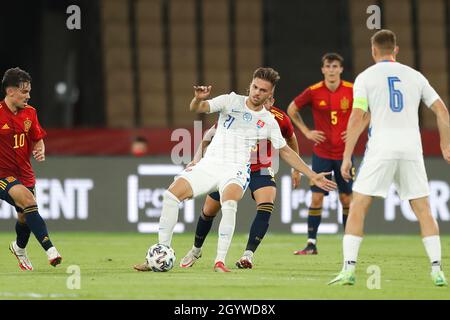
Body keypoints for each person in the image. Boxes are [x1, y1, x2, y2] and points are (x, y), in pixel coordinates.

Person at [134, 67, 336, 272]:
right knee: (170, 196)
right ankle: (161, 252)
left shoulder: (269, 121)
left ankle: (219, 261)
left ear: (270, 94)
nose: (257, 92)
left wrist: (310, 173)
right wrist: (197, 99)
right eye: (255, 87)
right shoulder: (230, 101)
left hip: (236, 170)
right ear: (250, 86)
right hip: (210, 165)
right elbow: (199, 108)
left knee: (229, 204)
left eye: (263, 90)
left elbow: (285, 150)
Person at [328, 29, 450, 286]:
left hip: (381, 148)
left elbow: (357, 117)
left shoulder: (365, 78)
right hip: (411, 150)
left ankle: (348, 270)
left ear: (373, 51)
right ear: (396, 50)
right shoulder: (415, 76)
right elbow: (442, 110)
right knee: (424, 210)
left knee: (359, 205)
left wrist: (347, 156)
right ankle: (437, 269)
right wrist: (445, 144)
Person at [179, 96, 301, 270]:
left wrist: (296, 169)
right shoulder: (239, 110)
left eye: (266, 101)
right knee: (209, 210)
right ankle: (196, 250)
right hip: (231, 165)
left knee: (267, 202)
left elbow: (291, 139)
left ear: (272, 101)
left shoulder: (279, 119)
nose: (262, 105)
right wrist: (197, 158)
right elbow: (210, 134)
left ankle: (248, 255)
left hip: (260, 168)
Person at [287, 53, 356, 255]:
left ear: (341, 69)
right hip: (322, 154)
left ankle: (349, 244)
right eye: (328, 66)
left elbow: (368, 111)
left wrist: (355, 130)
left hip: (344, 155)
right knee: (317, 199)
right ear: (323, 69)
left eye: (335, 66)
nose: (332, 69)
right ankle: (311, 244)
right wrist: (306, 132)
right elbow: (292, 109)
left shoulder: (352, 90)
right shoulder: (314, 91)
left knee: (346, 199)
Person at [0, 67, 62, 270]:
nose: (28, 96)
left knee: (24, 217)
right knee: (28, 200)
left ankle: (18, 248)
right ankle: (51, 250)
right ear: (10, 91)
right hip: (3, 174)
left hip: (25, 173)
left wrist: (39, 149)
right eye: (24, 91)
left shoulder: (30, 113)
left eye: (29, 91)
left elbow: (37, 138)